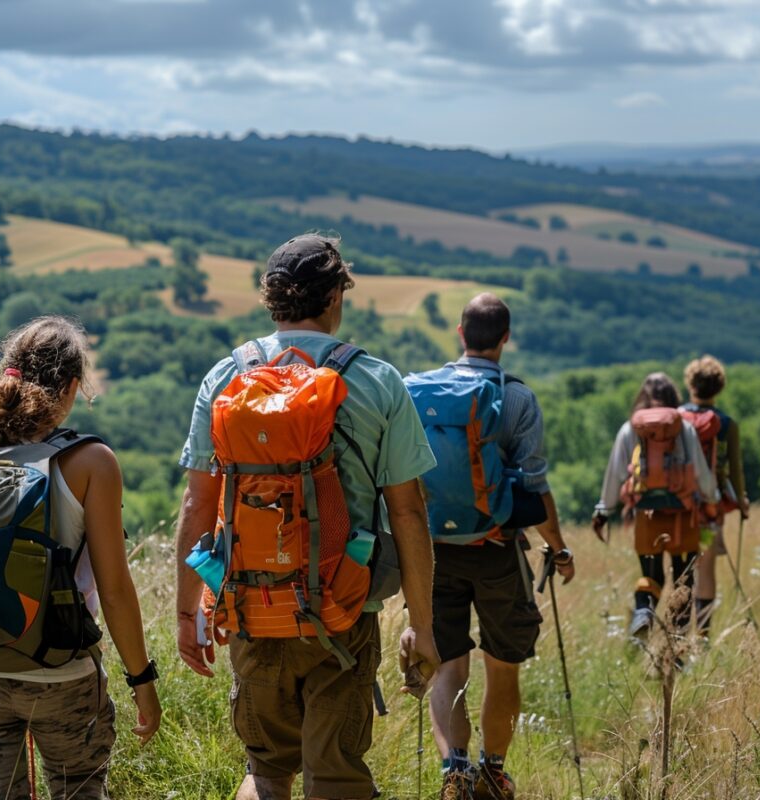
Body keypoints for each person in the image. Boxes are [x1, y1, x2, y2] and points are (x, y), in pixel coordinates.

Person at [174, 233, 441, 800]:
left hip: (249, 605)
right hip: (343, 610)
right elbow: (409, 512)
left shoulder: (226, 377)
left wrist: (186, 615)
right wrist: (421, 621)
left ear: (271, 300)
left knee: (266, 771)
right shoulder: (376, 381)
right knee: (337, 774)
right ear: (335, 297)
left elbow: (198, 504)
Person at [0, 316, 161, 799]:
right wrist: (142, 679)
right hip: (59, 672)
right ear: (71, 387)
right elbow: (115, 587)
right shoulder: (90, 462)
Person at [407, 293, 576, 800]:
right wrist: (559, 549)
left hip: (434, 552)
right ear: (505, 338)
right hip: (497, 548)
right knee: (503, 663)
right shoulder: (517, 398)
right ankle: (493, 773)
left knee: (448, 663)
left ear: (460, 333)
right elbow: (535, 487)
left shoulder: (420, 391)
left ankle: (452, 770)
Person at [592, 372, 718, 640]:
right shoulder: (683, 428)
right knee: (684, 583)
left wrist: (603, 510)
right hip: (684, 518)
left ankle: (643, 613)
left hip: (647, 517)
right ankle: (678, 650)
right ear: (674, 397)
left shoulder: (630, 429)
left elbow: (615, 473)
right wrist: (711, 500)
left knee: (652, 577)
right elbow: (701, 475)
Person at [681, 355, 750, 637]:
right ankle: (703, 636)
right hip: (710, 509)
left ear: (690, 384)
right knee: (706, 568)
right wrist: (742, 501)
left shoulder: (676, 417)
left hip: (678, 506)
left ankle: (678, 631)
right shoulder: (726, 424)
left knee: (681, 567)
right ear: (719, 387)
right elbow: (735, 470)